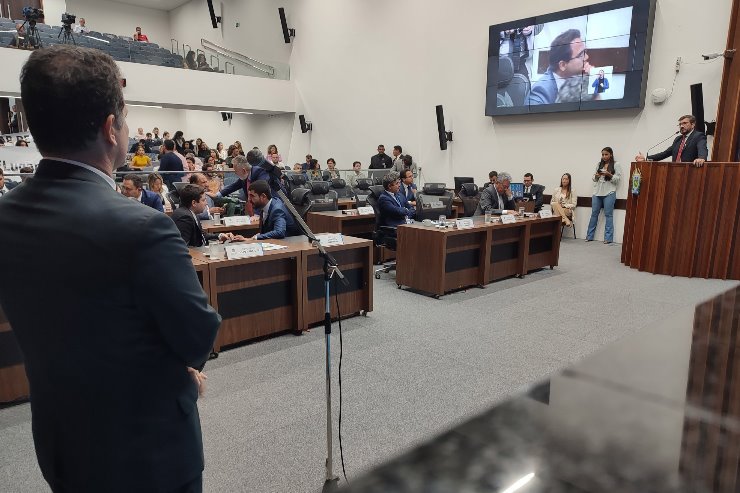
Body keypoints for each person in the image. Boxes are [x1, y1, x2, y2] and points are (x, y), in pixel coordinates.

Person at [0, 45, 220, 493]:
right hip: (147, 454)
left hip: (62, 442)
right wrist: (184, 368)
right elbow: (198, 333)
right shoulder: (142, 227)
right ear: (109, 128)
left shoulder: (6, 215)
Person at [526, 29, 591, 106]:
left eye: (585, 52)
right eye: (581, 55)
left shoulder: (577, 78)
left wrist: (588, 80)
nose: (587, 57)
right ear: (563, 65)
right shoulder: (541, 91)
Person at [172, 184, 242, 246]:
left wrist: (220, 236)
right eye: (203, 200)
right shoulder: (185, 217)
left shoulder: (191, 213)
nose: (206, 203)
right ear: (194, 203)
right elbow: (181, 247)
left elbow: (202, 235)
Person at [635, 114, 708, 168]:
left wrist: (701, 157)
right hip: (675, 171)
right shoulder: (678, 139)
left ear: (692, 125)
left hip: (690, 171)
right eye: (680, 124)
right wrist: (647, 159)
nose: (681, 126)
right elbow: (665, 153)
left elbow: (702, 148)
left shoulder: (698, 136)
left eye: (685, 123)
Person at [586, 146, 621, 244]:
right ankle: (589, 236)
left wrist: (608, 174)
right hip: (597, 192)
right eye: (603, 154)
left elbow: (617, 179)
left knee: (608, 215)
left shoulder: (616, 164)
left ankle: (608, 238)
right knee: (594, 214)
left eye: (606, 154)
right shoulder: (599, 164)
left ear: (611, 155)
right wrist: (596, 176)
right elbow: (594, 178)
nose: (604, 156)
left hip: (609, 192)